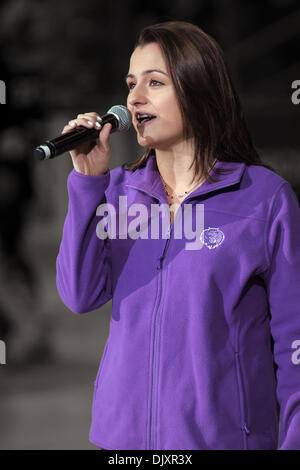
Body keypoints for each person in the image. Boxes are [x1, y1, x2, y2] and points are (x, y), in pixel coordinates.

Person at [56, 21, 300, 450]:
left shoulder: (264, 200)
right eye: (132, 84)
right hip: (122, 443)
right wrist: (87, 183)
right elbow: (79, 294)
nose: (134, 98)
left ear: (198, 89)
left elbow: (294, 345)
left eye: (155, 82)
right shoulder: (115, 193)